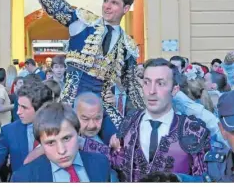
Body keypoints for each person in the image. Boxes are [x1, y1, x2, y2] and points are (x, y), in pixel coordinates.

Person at [28, 0, 144, 142]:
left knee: (123, 143)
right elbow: (52, 2)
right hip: (71, 104)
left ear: (126, 8)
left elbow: (133, 92)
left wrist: (134, 116)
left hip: (103, 108)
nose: (107, 6)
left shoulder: (128, 46)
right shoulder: (83, 22)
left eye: (114, 3)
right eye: (106, 0)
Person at [82, 58, 211, 182]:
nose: (151, 91)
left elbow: (203, 179)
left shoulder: (193, 130)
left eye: (160, 83)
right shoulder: (129, 123)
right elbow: (117, 160)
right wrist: (81, 142)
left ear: (174, 90)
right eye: (146, 82)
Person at [12, 102, 111, 182]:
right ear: (40, 144)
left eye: (66, 138)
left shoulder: (101, 163)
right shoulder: (23, 179)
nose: (61, 150)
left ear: (78, 133)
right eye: (51, 143)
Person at [0, 82, 54, 175]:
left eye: (24, 107)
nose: (18, 112)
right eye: (18, 105)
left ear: (41, 109)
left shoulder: (59, 129)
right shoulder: (9, 131)